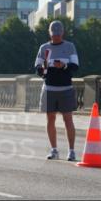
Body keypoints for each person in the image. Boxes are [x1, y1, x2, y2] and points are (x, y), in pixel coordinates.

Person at [35, 20, 80, 161]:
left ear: (62, 33)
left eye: (58, 35)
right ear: (50, 34)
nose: (56, 37)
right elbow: (37, 68)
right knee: (50, 119)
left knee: (68, 120)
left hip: (65, 88)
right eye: (54, 35)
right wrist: (43, 69)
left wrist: (64, 66)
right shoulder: (44, 48)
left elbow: (75, 66)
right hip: (49, 88)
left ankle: (71, 151)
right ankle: (54, 150)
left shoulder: (69, 46)